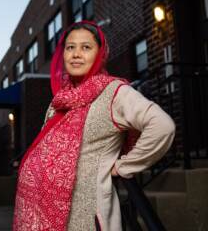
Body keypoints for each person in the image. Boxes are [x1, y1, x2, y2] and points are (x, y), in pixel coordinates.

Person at [12, 20, 175, 230]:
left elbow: (163, 126)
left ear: (100, 54)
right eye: (70, 47)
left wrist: (125, 166)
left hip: (85, 216)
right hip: (38, 214)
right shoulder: (61, 99)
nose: (76, 54)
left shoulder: (114, 92)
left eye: (86, 47)